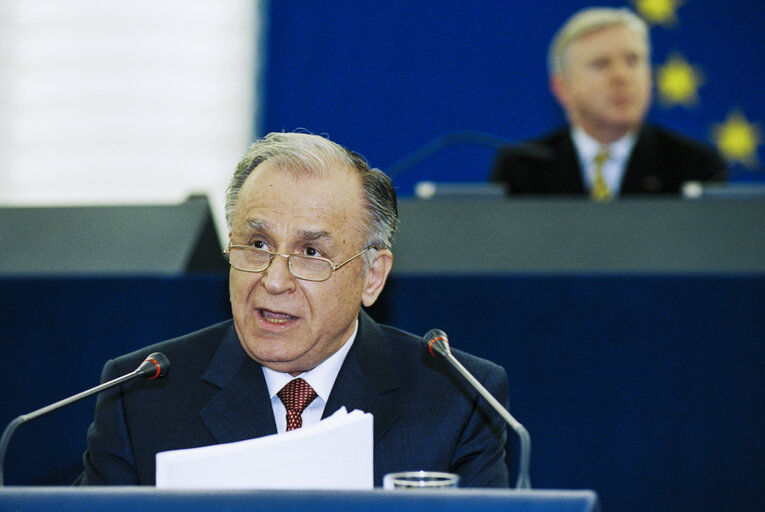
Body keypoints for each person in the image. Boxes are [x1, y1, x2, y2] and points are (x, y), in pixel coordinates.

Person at [75, 132, 510, 487]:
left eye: (311, 252)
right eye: (258, 245)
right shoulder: (143, 395)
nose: (275, 280)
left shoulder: (456, 398)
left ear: (371, 276)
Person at [490, 7, 727, 198]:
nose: (621, 77)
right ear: (562, 88)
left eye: (633, 61)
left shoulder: (696, 167)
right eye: (601, 64)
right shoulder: (522, 169)